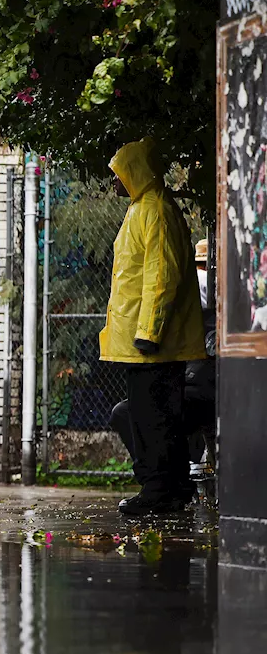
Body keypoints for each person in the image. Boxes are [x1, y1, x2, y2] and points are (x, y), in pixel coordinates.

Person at [100, 138, 206, 516]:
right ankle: (170, 489)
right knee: (154, 416)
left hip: (152, 345)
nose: (115, 182)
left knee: (153, 418)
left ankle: (159, 489)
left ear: (135, 173)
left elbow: (162, 276)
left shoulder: (154, 210)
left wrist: (149, 332)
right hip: (145, 342)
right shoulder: (144, 209)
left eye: (119, 175)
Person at [109, 238, 216, 473]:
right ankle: (161, 475)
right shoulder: (193, 298)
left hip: (198, 390)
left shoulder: (197, 294)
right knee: (128, 411)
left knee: (135, 412)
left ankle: (161, 477)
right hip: (186, 386)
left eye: (201, 267)